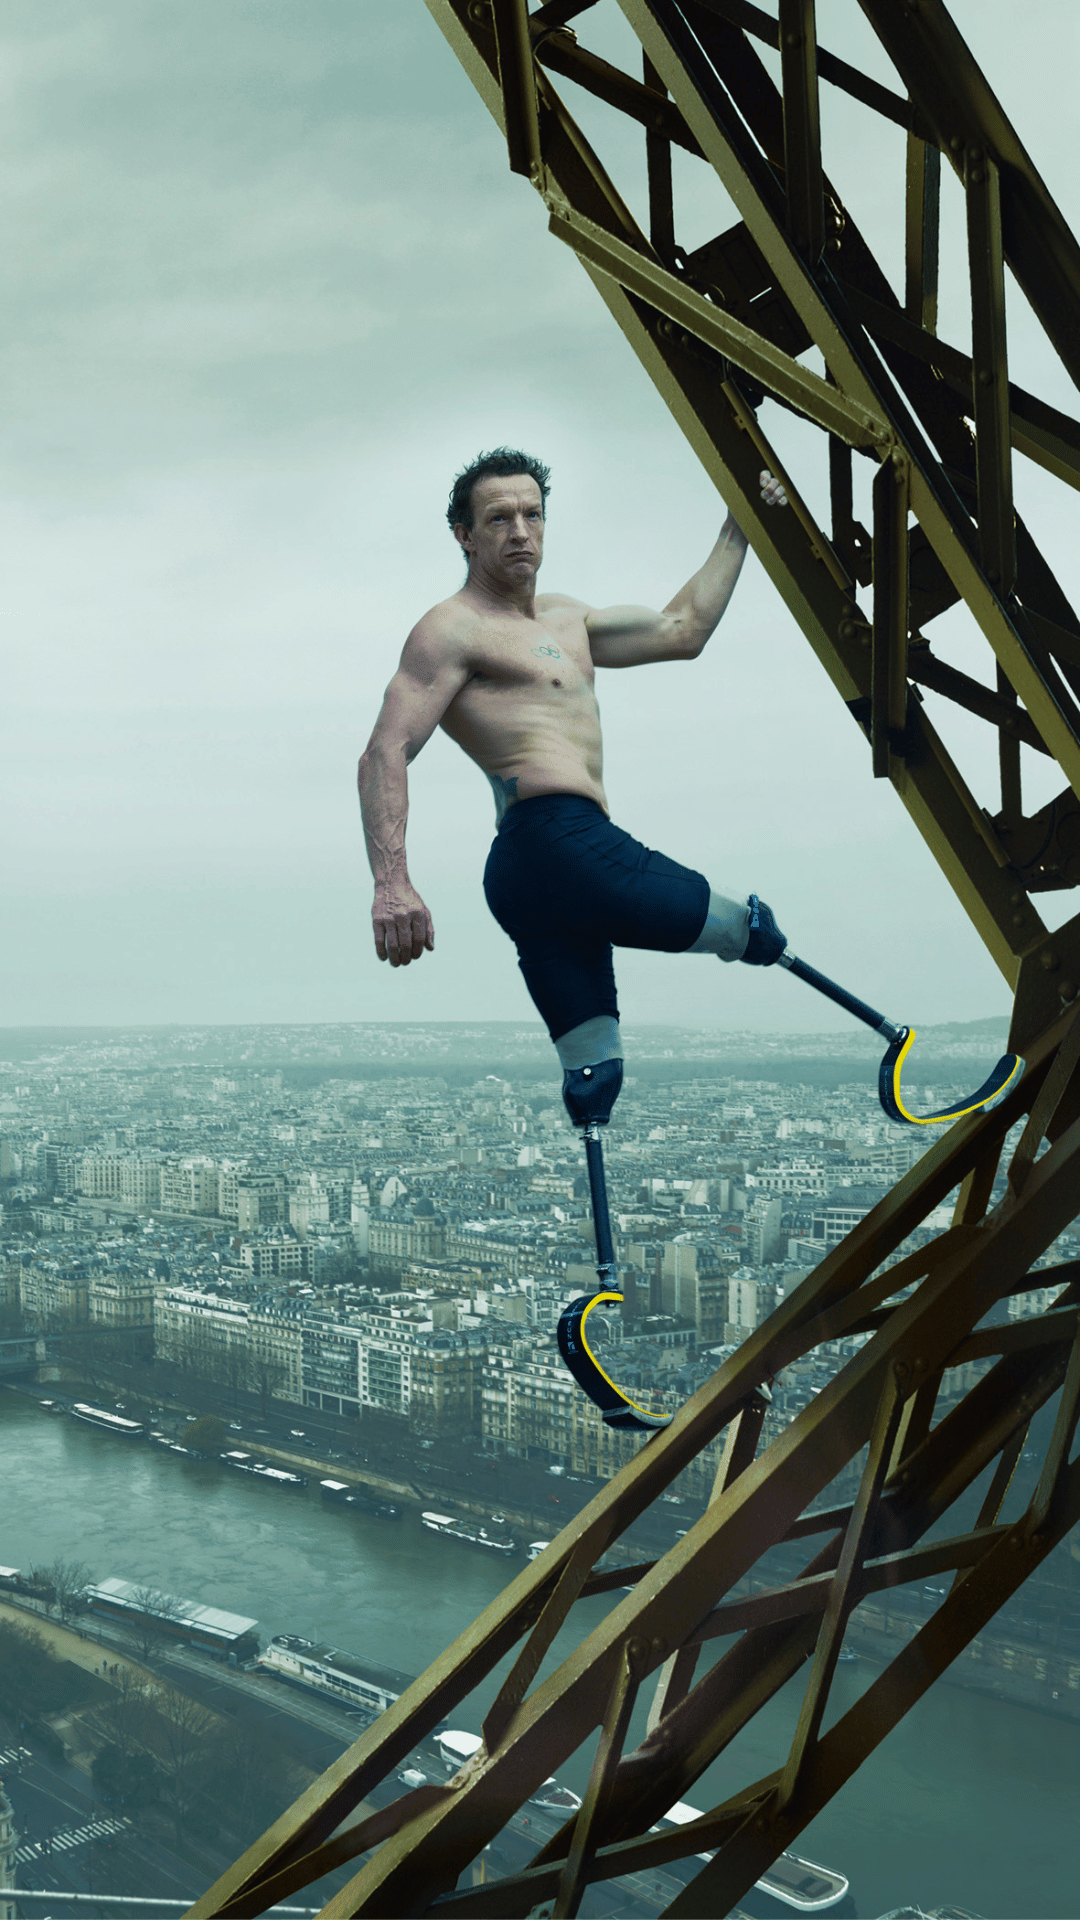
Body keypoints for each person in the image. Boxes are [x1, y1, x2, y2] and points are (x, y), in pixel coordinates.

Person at [358, 447, 788, 1103]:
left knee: (594, 1074)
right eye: (499, 519)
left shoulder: (568, 619)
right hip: (554, 841)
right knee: (748, 927)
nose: (520, 531)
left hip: (547, 864)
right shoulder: (452, 628)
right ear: (464, 536)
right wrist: (392, 884)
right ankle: (888, 1032)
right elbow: (384, 751)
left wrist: (742, 522)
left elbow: (683, 629)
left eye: (533, 514)